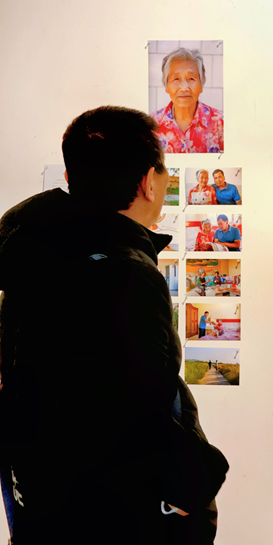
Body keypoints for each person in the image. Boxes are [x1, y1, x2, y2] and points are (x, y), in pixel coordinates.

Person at [0, 106, 228, 543]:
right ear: (147, 182)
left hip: (44, 499)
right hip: (118, 513)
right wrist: (190, 487)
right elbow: (136, 402)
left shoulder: (35, 255)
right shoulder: (124, 271)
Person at [151, 47, 224, 153]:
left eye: (191, 79)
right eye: (176, 79)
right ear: (166, 86)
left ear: (201, 85)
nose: (184, 88)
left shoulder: (221, 123)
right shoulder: (151, 126)